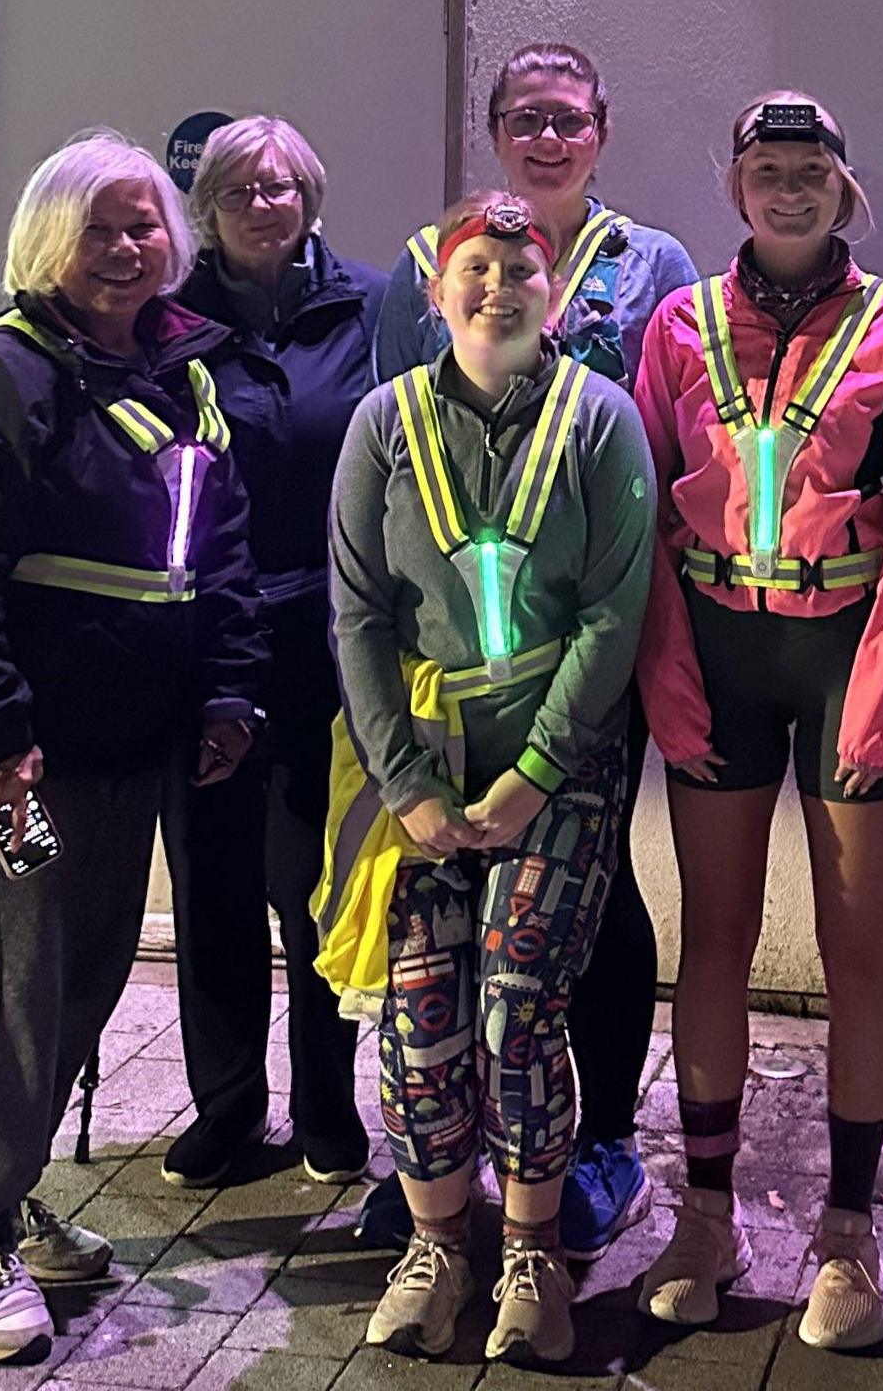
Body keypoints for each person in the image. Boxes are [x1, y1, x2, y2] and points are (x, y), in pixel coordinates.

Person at [0, 131, 263, 1362]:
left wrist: (225, 698)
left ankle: (8, 1181)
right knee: (15, 977)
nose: (126, 248)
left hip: (128, 744)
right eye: (99, 228)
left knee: (86, 972)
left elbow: (218, 562)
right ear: (49, 240)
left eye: (145, 226)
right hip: (18, 760)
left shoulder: (182, 374)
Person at [366, 41, 697, 1265]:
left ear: (601, 131)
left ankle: (598, 1138)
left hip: (586, 635)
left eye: (568, 118)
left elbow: (674, 426)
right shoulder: (419, 266)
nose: (546, 137)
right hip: (449, 652)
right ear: (493, 128)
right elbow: (389, 425)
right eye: (524, 117)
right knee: (434, 920)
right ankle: (438, 1161)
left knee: (587, 896)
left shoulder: (652, 264)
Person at [627, 92, 883, 1351]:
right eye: (768, 169)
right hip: (719, 651)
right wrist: (669, 676)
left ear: (842, 182)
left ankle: (850, 1234)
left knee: (860, 955)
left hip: (846, 657)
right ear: (734, 184)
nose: (790, 188)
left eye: (810, 168)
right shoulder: (677, 323)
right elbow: (644, 516)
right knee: (715, 941)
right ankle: (705, 1215)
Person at [333, 190, 656, 1364]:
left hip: (554, 768)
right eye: (476, 266)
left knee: (519, 1003)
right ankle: (436, 1243)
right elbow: (358, 614)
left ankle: (529, 1251)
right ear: (438, 290)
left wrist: (532, 773)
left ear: (556, 291)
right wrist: (406, 781)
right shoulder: (382, 424)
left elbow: (615, 611)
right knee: (419, 1010)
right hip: (418, 764)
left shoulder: (600, 420)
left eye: (523, 268)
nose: (498, 288)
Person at [159, 115, 386, 1190]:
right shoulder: (166, 322)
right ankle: (228, 1106)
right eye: (240, 190)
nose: (265, 205)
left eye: (283, 185)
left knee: (319, 879)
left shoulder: (373, 306)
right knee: (210, 874)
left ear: (311, 196)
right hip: (206, 635)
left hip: (332, 633)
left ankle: (328, 1104)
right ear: (204, 210)